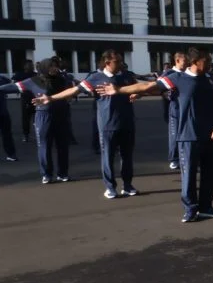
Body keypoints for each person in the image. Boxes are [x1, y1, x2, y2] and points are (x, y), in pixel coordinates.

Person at [102, 47, 213, 222]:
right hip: (188, 136)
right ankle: (190, 209)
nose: (211, 63)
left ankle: (206, 207)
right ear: (195, 61)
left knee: (210, 175)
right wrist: (119, 90)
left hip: (211, 135)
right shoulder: (177, 78)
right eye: (207, 60)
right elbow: (149, 85)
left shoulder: (210, 78)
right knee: (188, 176)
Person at [34, 50, 139, 198]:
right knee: (107, 157)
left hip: (127, 123)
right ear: (107, 62)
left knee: (127, 157)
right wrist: (50, 98)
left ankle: (128, 186)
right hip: (108, 125)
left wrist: (137, 93)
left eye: (121, 61)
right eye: (118, 61)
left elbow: (140, 88)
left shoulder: (127, 76)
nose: (121, 63)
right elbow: (74, 90)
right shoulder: (95, 78)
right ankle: (110, 187)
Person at [1, 57, 75, 183]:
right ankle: (46, 174)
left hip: (62, 116)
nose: (54, 68)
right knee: (44, 146)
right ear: (45, 67)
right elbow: (12, 87)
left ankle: (63, 173)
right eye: (51, 66)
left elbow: (72, 92)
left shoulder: (63, 80)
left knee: (63, 146)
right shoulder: (34, 81)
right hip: (43, 116)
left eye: (55, 66)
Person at [162, 53, 186, 170]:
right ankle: (174, 158)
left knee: (186, 134)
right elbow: (159, 87)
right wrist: (166, 94)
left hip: (187, 108)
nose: (187, 63)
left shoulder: (187, 73)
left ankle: (184, 156)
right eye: (184, 61)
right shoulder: (169, 73)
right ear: (177, 60)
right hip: (175, 109)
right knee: (175, 134)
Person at [11, 60, 36, 143]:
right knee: (26, 118)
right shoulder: (20, 74)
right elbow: (14, 84)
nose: (32, 66)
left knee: (37, 117)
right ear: (25, 66)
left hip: (36, 98)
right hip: (26, 99)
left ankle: (39, 134)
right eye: (30, 65)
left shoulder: (35, 75)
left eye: (32, 65)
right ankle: (26, 134)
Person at [0, 73, 17, 161]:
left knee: (7, 134)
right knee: (7, 134)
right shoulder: (2, 79)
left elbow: (10, 81)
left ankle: (11, 155)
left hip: (3, 112)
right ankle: (11, 154)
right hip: (3, 112)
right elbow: (9, 81)